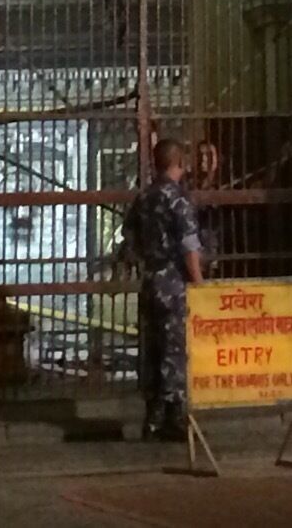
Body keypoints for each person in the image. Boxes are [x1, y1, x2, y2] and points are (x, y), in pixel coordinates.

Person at [123, 136, 204, 439]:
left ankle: (152, 418)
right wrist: (199, 284)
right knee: (175, 351)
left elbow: (128, 238)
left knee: (153, 349)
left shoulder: (144, 198)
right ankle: (175, 417)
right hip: (174, 285)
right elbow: (189, 246)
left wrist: (141, 257)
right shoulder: (178, 200)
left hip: (150, 282)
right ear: (179, 162)